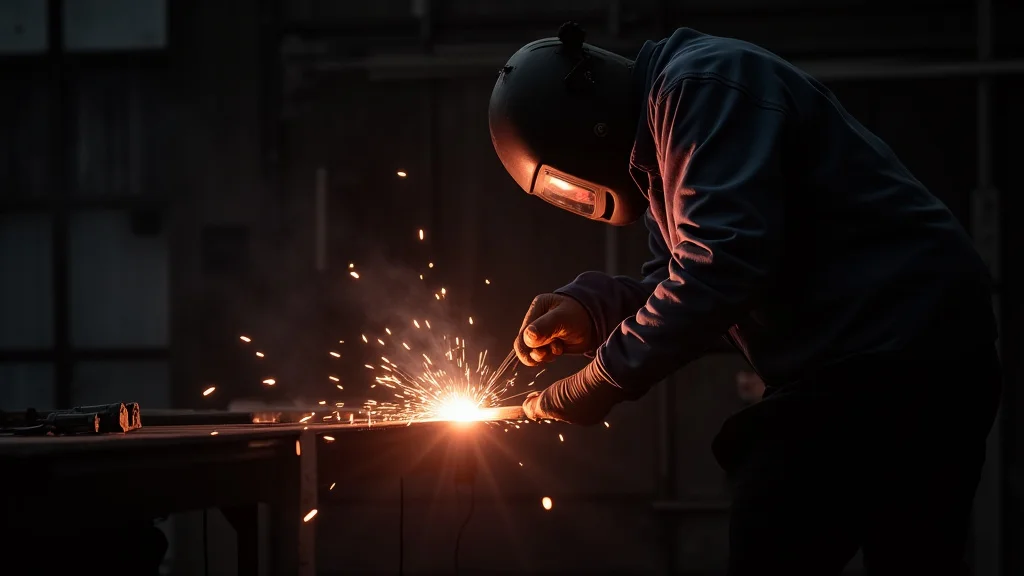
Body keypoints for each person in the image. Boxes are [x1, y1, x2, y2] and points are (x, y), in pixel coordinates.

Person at [488, 22, 1002, 576]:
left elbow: (722, 269)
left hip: (903, 348)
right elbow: (681, 277)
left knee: (777, 520)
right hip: (881, 352)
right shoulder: (661, 142)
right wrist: (592, 308)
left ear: (587, 125)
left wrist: (601, 380)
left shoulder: (702, 88)